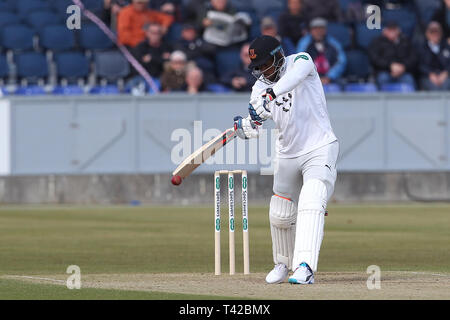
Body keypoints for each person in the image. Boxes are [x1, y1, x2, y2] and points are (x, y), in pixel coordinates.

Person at [233, 35, 339, 284]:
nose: (262, 72)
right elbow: (255, 125)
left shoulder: (301, 61)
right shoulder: (259, 87)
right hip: (286, 153)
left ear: (278, 56)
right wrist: (245, 127)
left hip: (319, 146)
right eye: (257, 68)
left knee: (312, 200)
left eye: (265, 65)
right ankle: (283, 264)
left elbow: (292, 79)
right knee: (280, 213)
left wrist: (270, 95)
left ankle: (305, 267)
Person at [368, 21, 417, 89]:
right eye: (389, 30)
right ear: (384, 31)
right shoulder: (377, 42)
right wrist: (390, 66)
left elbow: (413, 58)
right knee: (383, 78)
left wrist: (403, 66)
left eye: (394, 30)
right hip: (384, 71)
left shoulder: (406, 41)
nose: (392, 32)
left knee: (409, 80)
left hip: (403, 72)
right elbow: (374, 58)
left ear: (398, 31)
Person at [297, 18, 346, 85]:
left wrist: (329, 77)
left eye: (321, 29)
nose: (318, 31)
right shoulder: (304, 43)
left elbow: (341, 62)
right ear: (311, 31)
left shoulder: (334, 44)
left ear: (325, 30)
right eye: (315, 29)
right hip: (310, 80)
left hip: (330, 80)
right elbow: (299, 62)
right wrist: (313, 78)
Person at [419, 21, 450, 90]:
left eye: (437, 32)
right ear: (427, 33)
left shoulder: (446, 47)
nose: (435, 34)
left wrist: (446, 72)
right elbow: (420, 65)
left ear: (441, 33)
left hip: (445, 76)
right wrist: (430, 74)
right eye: (432, 32)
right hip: (427, 76)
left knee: (446, 84)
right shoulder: (422, 47)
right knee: (434, 87)